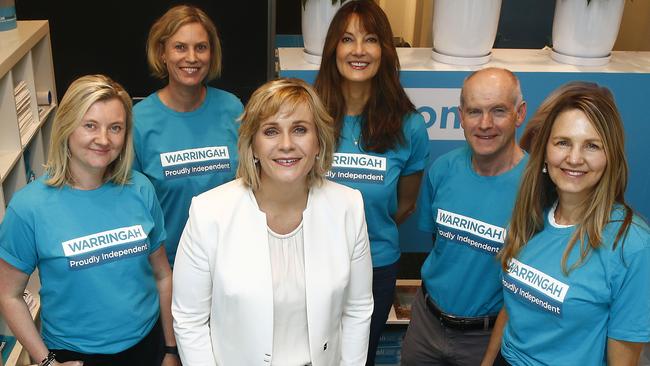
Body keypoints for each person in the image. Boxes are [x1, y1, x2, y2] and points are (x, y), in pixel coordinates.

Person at [172, 78, 373, 365]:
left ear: (319, 142)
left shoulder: (348, 206)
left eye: (300, 130)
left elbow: (358, 309)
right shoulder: (209, 213)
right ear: (252, 146)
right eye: (271, 131)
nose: (287, 145)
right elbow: (189, 320)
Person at [0, 75, 178, 366]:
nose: (104, 139)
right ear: (68, 126)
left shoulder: (140, 188)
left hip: (148, 347)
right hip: (75, 356)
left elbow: (162, 275)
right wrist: (46, 362)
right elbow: (8, 295)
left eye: (115, 128)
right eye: (90, 125)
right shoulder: (28, 207)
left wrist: (170, 349)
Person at [483, 83, 650, 365]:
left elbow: (625, 357)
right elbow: (513, 307)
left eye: (592, 146)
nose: (574, 158)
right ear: (545, 150)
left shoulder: (631, 245)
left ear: (610, 157)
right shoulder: (531, 213)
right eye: (563, 142)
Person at [313, 2, 429, 363]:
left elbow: (405, 205)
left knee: (358, 357)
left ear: (385, 51)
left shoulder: (409, 126)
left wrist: (362, 231)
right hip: (313, 262)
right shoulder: (309, 114)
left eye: (371, 39)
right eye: (347, 39)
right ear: (334, 49)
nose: (359, 50)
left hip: (375, 266)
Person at [400, 68, 528, 366]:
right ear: (461, 116)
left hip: (486, 336)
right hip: (426, 324)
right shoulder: (442, 170)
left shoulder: (537, 188)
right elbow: (440, 245)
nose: (485, 124)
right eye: (474, 112)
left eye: (498, 111)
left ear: (519, 114)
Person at [133, 5, 243, 266]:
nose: (192, 57)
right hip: (169, 266)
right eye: (180, 47)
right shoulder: (139, 120)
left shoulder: (233, 110)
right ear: (162, 53)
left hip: (231, 259)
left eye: (201, 47)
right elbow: (132, 207)